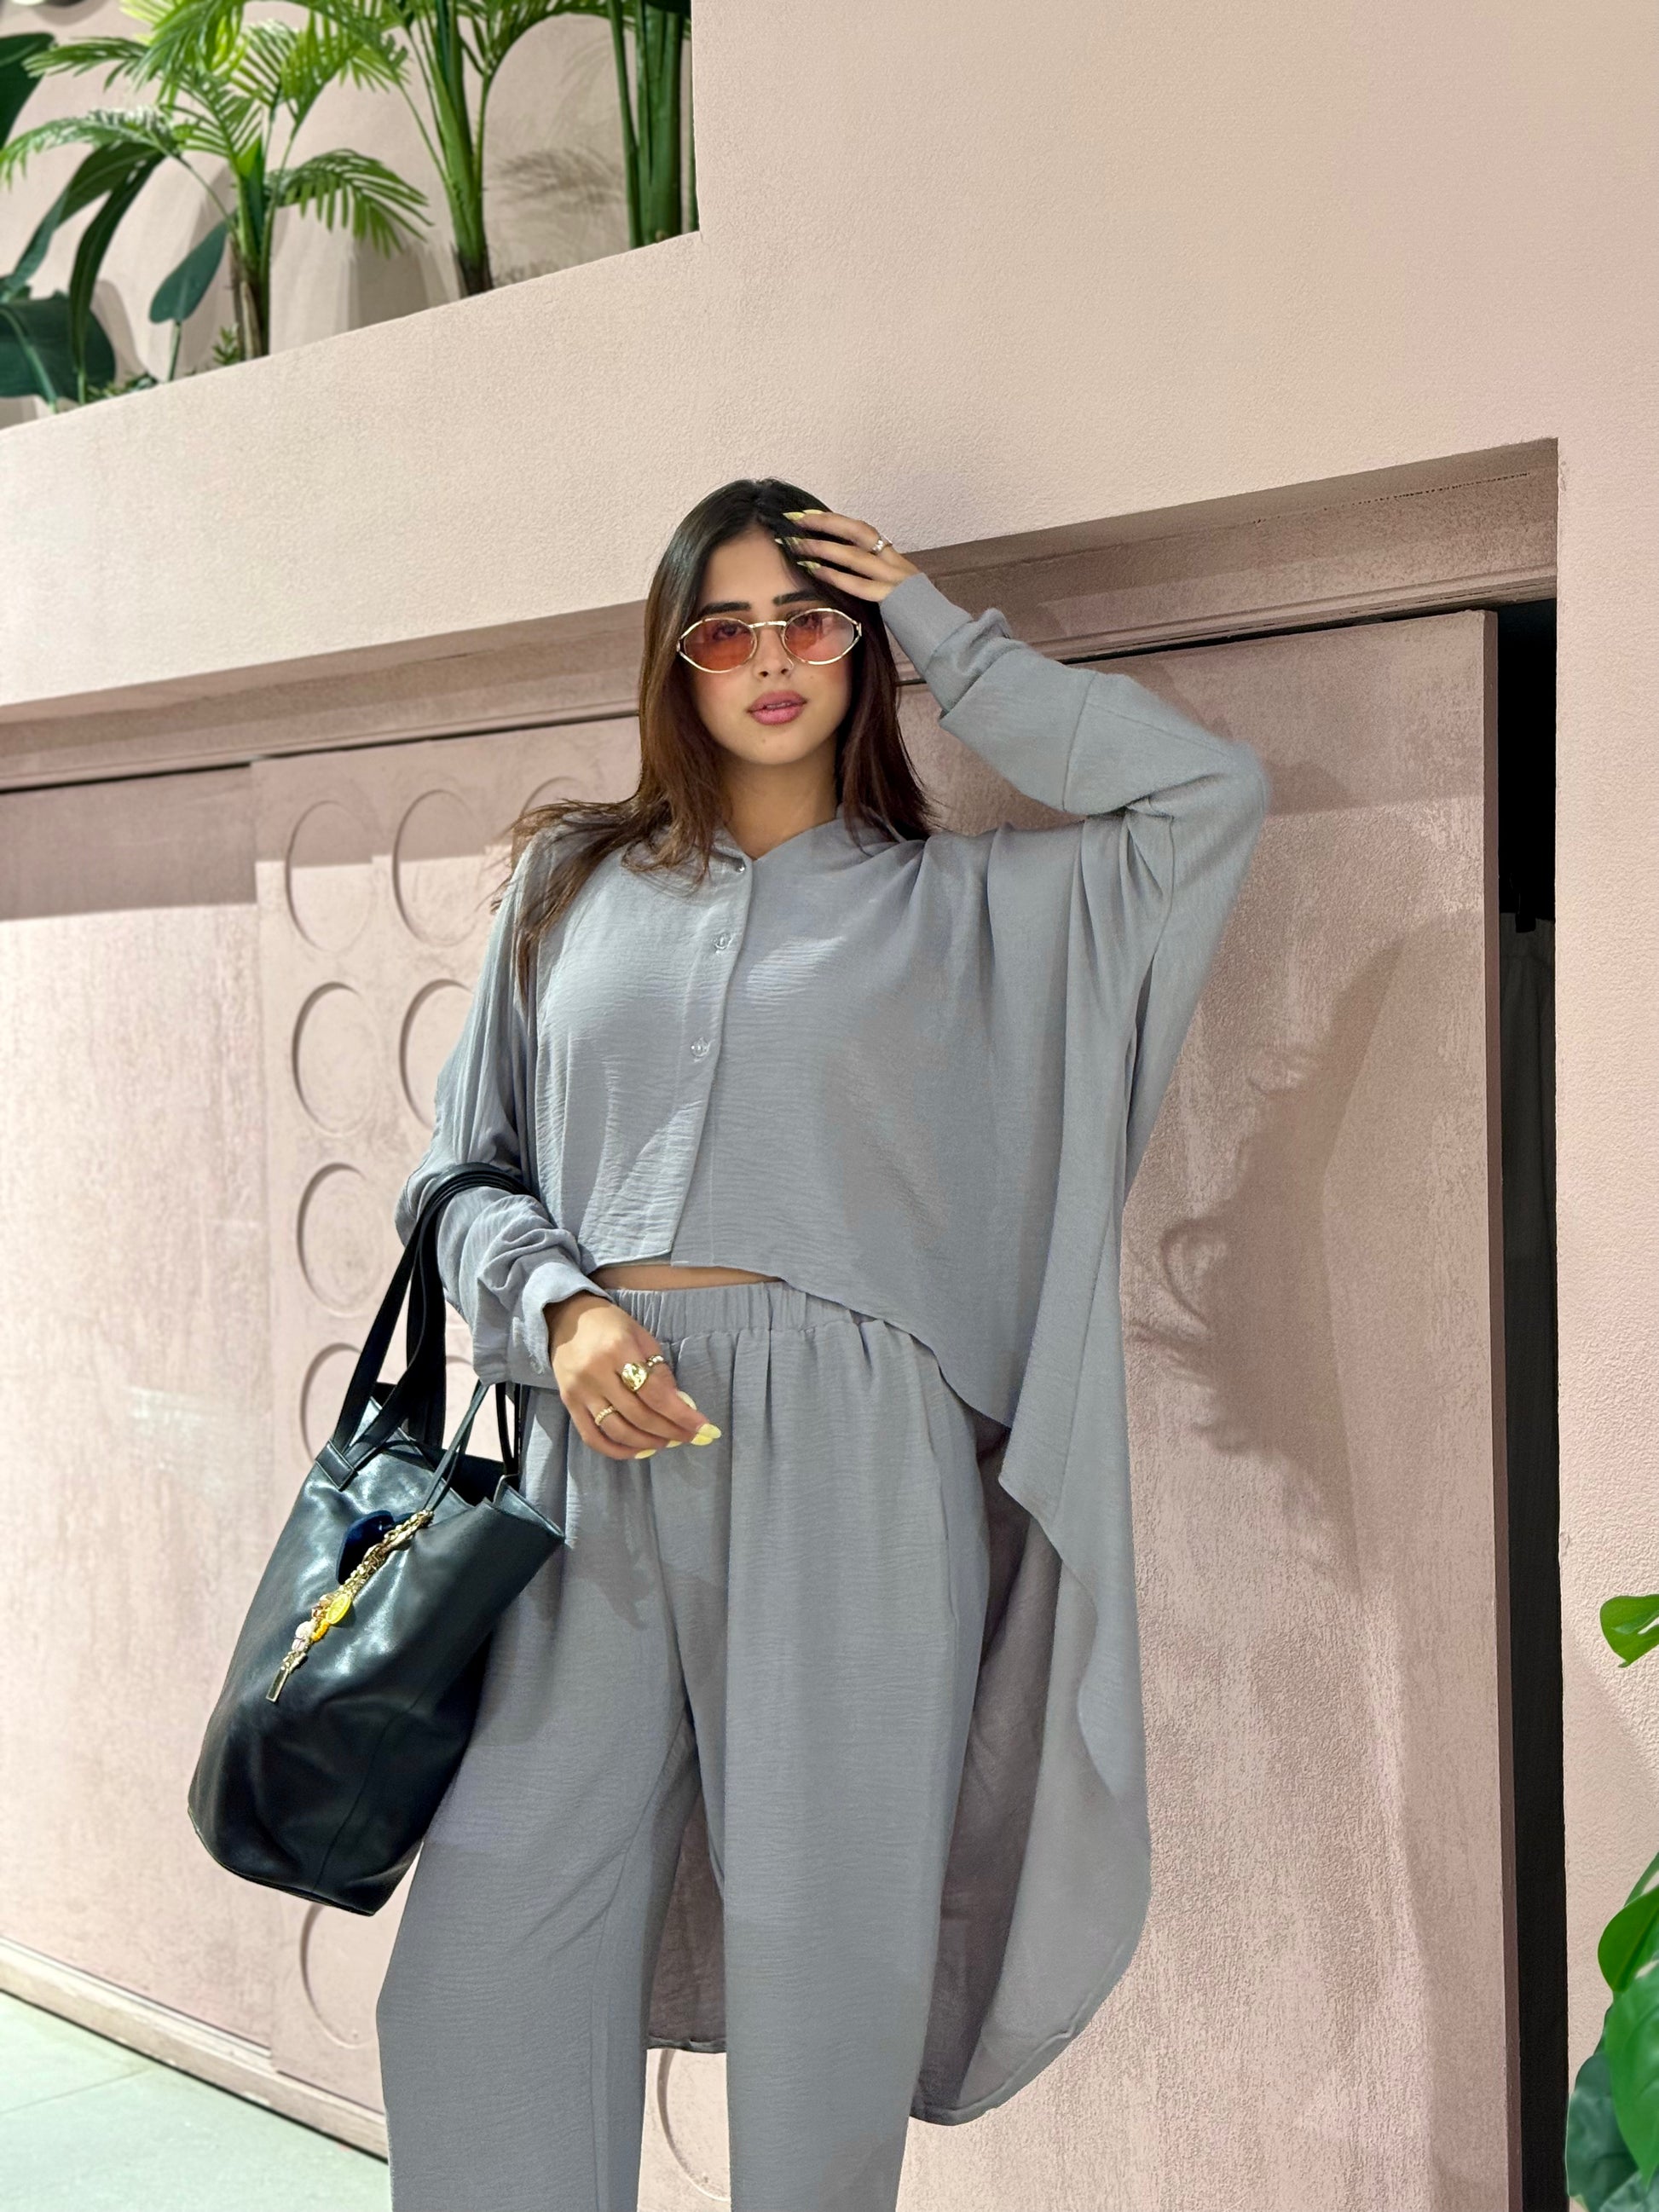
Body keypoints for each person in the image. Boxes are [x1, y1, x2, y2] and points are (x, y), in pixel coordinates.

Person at [374, 476, 1270, 2212]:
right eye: (725, 630)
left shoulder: (971, 908)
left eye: (810, 621)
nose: (771, 659)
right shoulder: (567, 886)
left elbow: (1204, 798)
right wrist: (558, 1304)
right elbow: (455, 1174)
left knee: (824, 1966)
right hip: (585, 1452)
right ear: (673, 663)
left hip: (856, 1464)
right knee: (483, 1962)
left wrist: (940, 627)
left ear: (860, 652)